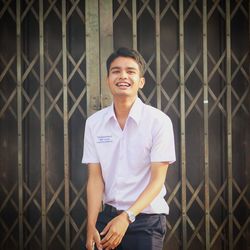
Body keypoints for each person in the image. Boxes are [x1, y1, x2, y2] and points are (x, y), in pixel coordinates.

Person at [82, 47, 176, 250]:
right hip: (106, 219)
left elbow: (157, 180)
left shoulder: (158, 121)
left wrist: (127, 217)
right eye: (116, 71)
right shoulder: (94, 123)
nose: (123, 76)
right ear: (108, 79)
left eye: (130, 71)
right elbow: (95, 178)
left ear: (141, 81)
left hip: (146, 221)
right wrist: (91, 224)